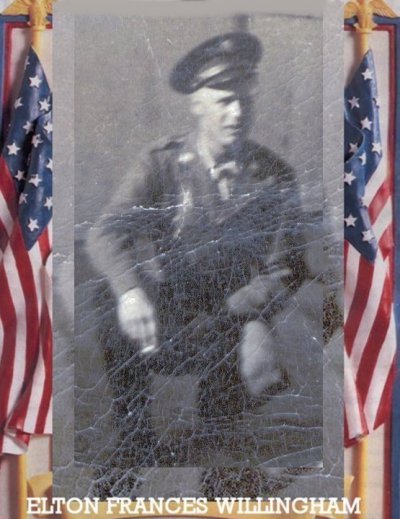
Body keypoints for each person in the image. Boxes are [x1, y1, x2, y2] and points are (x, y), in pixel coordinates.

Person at [86, 32, 309, 465]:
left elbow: (287, 268)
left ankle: (221, 430)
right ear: (197, 105)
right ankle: (135, 436)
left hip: (234, 317)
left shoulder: (275, 176)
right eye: (223, 101)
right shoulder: (163, 164)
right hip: (170, 316)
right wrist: (130, 293)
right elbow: (106, 232)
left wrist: (239, 311)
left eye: (244, 100)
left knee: (223, 447)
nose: (237, 113)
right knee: (106, 297)